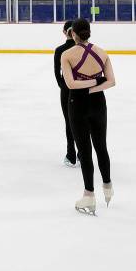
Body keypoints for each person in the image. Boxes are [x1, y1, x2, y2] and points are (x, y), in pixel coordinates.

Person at [60, 18, 116, 215]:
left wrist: (87, 84)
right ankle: (108, 187)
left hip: (77, 103)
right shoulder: (102, 53)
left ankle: (89, 195)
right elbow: (111, 82)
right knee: (101, 146)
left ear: (72, 34)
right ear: (89, 32)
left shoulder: (67, 55)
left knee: (84, 150)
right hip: (99, 102)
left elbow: (71, 84)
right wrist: (95, 84)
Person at [54, 20, 79, 168]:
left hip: (66, 89)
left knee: (69, 122)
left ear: (65, 32)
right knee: (82, 121)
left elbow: (57, 74)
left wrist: (63, 86)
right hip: (82, 88)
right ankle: (82, 153)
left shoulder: (60, 50)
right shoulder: (81, 48)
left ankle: (71, 155)